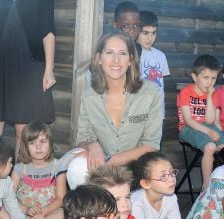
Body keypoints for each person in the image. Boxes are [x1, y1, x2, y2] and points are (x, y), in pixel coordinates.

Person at [67, 30, 162, 189]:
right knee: (77, 166)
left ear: (131, 59)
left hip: (138, 169)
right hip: (101, 168)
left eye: (122, 53)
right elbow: (82, 138)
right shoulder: (89, 95)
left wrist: (109, 161)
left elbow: (151, 145)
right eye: (109, 52)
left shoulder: (150, 92)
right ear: (98, 59)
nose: (116, 60)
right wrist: (92, 146)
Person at [0, 0, 56, 159]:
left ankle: (18, 182)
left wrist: (49, 69)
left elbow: (48, 29)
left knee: (25, 134)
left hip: (29, 65)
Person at [177, 54, 224, 188]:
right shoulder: (185, 92)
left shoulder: (214, 95)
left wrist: (210, 97)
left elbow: (211, 120)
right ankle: (206, 186)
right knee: (210, 146)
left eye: (213, 78)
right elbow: (188, 120)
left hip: (209, 125)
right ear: (195, 77)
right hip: (188, 128)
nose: (210, 82)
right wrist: (209, 131)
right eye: (205, 77)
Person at [11, 121, 69, 219]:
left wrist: (43, 212)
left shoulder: (58, 166)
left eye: (43, 141)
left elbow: (60, 199)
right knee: (0, 211)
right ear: (25, 146)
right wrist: (27, 210)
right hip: (24, 215)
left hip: (48, 214)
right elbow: (9, 196)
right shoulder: (20, 167)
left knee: (65, 215)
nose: (38, 147)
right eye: (32, 143)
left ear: (50, 143)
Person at [137, 10, 170, 119]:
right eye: (145, 33)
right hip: (138, 112)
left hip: (157, 112)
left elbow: (161, 84)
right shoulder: (132, 53)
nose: (150, 38)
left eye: (153, 33)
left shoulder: (161, 56)